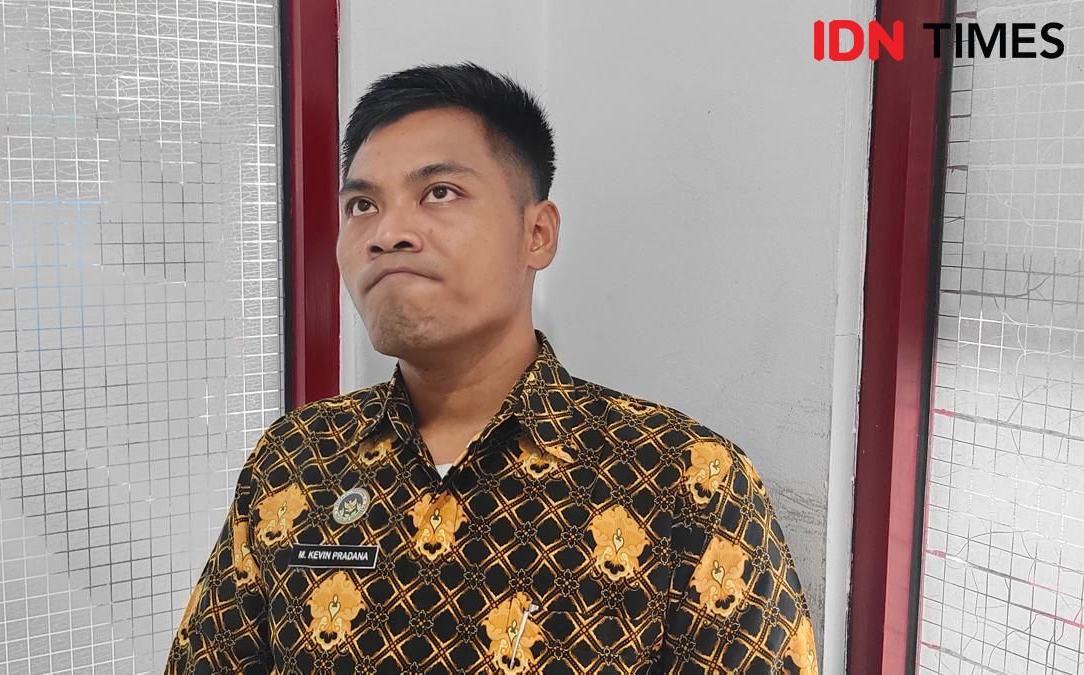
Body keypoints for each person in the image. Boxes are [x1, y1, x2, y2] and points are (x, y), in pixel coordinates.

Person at [165, 61, 819, 675]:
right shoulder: (296, 457)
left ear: (537, 234)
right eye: (362, 205)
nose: (387, 233)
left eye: (439, 192)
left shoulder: (687, 480)